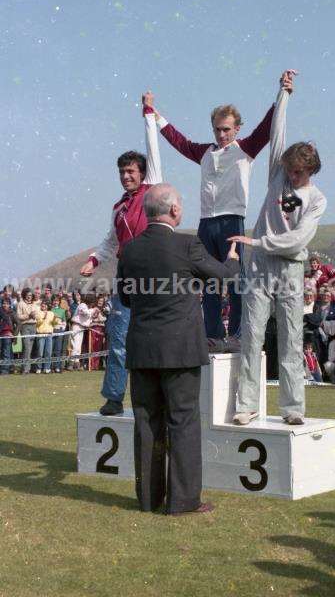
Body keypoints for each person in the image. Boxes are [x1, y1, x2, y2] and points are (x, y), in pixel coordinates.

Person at [117, 183, 239, 514]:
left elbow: (127, 298)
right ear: (174, 210)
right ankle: (183, 501)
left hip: (143, 349)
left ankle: (148, 499)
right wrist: (233, 257)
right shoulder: (188, 245)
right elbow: (224, 277)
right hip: (180, 350)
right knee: (183, 422)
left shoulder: (128, 251)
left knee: (146, 423)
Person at [148, 72, 294, 345]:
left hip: (231, 221)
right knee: (208, 281)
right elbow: (179, 141)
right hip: (207, 223)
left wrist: (282, 94)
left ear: (237, 129)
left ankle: (238, 333)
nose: (222, 134)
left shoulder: (246, 149)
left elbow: (267, 127)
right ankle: (213, 334)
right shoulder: (203, 152)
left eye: (227, 129)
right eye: (217, 129)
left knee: (236, 280)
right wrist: (155, 115)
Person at [229, 72, 327, 426]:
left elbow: (299, 240)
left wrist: (257, 242)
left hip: (289, 266)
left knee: (291, 336)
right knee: (251, 334)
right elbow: (277, 133)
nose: (292, 175)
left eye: (298, 172)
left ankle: (293, 408)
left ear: (310, 170)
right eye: (289, 169)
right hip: (260, 267)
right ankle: (247, 404)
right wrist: (283, 94)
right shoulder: (277, 174)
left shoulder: (316, 199)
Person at [79, 93, 162, 415]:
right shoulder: (119, 207)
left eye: (131, 171)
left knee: (154, 341)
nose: (126, 176)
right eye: (122, 172)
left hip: (153, 277)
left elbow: (153, 153)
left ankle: (157, 400)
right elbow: (110, 242)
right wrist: (94, 260)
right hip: (125, 280)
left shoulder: (151, 192)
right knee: (118, 339)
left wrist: (148, 114)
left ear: (142, 174)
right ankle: (114, 398)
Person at [16, 288, 39, 375]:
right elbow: (19, 316)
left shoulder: (34, 304)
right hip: (25, 326)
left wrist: (34, 315)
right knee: (26, 347)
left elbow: (37, 314)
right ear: (24, 295)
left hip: (33, 326)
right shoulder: (20, 304)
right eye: (28, 295)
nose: (29, 297)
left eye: (31, 295)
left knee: (31, 348)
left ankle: (28, 367)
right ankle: (25, 369)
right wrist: (28, 316)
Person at [35, 300, 55, 374]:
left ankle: (47, 368)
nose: (44, 306)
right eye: (42, 305)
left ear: (47, 306)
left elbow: (53, 323)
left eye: (45, 305)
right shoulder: (38, 313)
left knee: (48, 352)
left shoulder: (51, 313)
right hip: (40, 334)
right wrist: (43, 317)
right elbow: (37, 324)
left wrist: (57, 322)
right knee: (40, 352)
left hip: (49, 334)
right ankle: (39, 368)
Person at [0, 299, 18, 375]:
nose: (5, 305)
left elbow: (19, 324)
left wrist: (14, 335)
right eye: (3, 303)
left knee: (6, 353)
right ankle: (8, 368)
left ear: (9, 304)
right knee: (5, 353)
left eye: (6, 303)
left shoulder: (12, 313)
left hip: (7, 335)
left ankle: (5, 371)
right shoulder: (0, 312)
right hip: (0, 334)